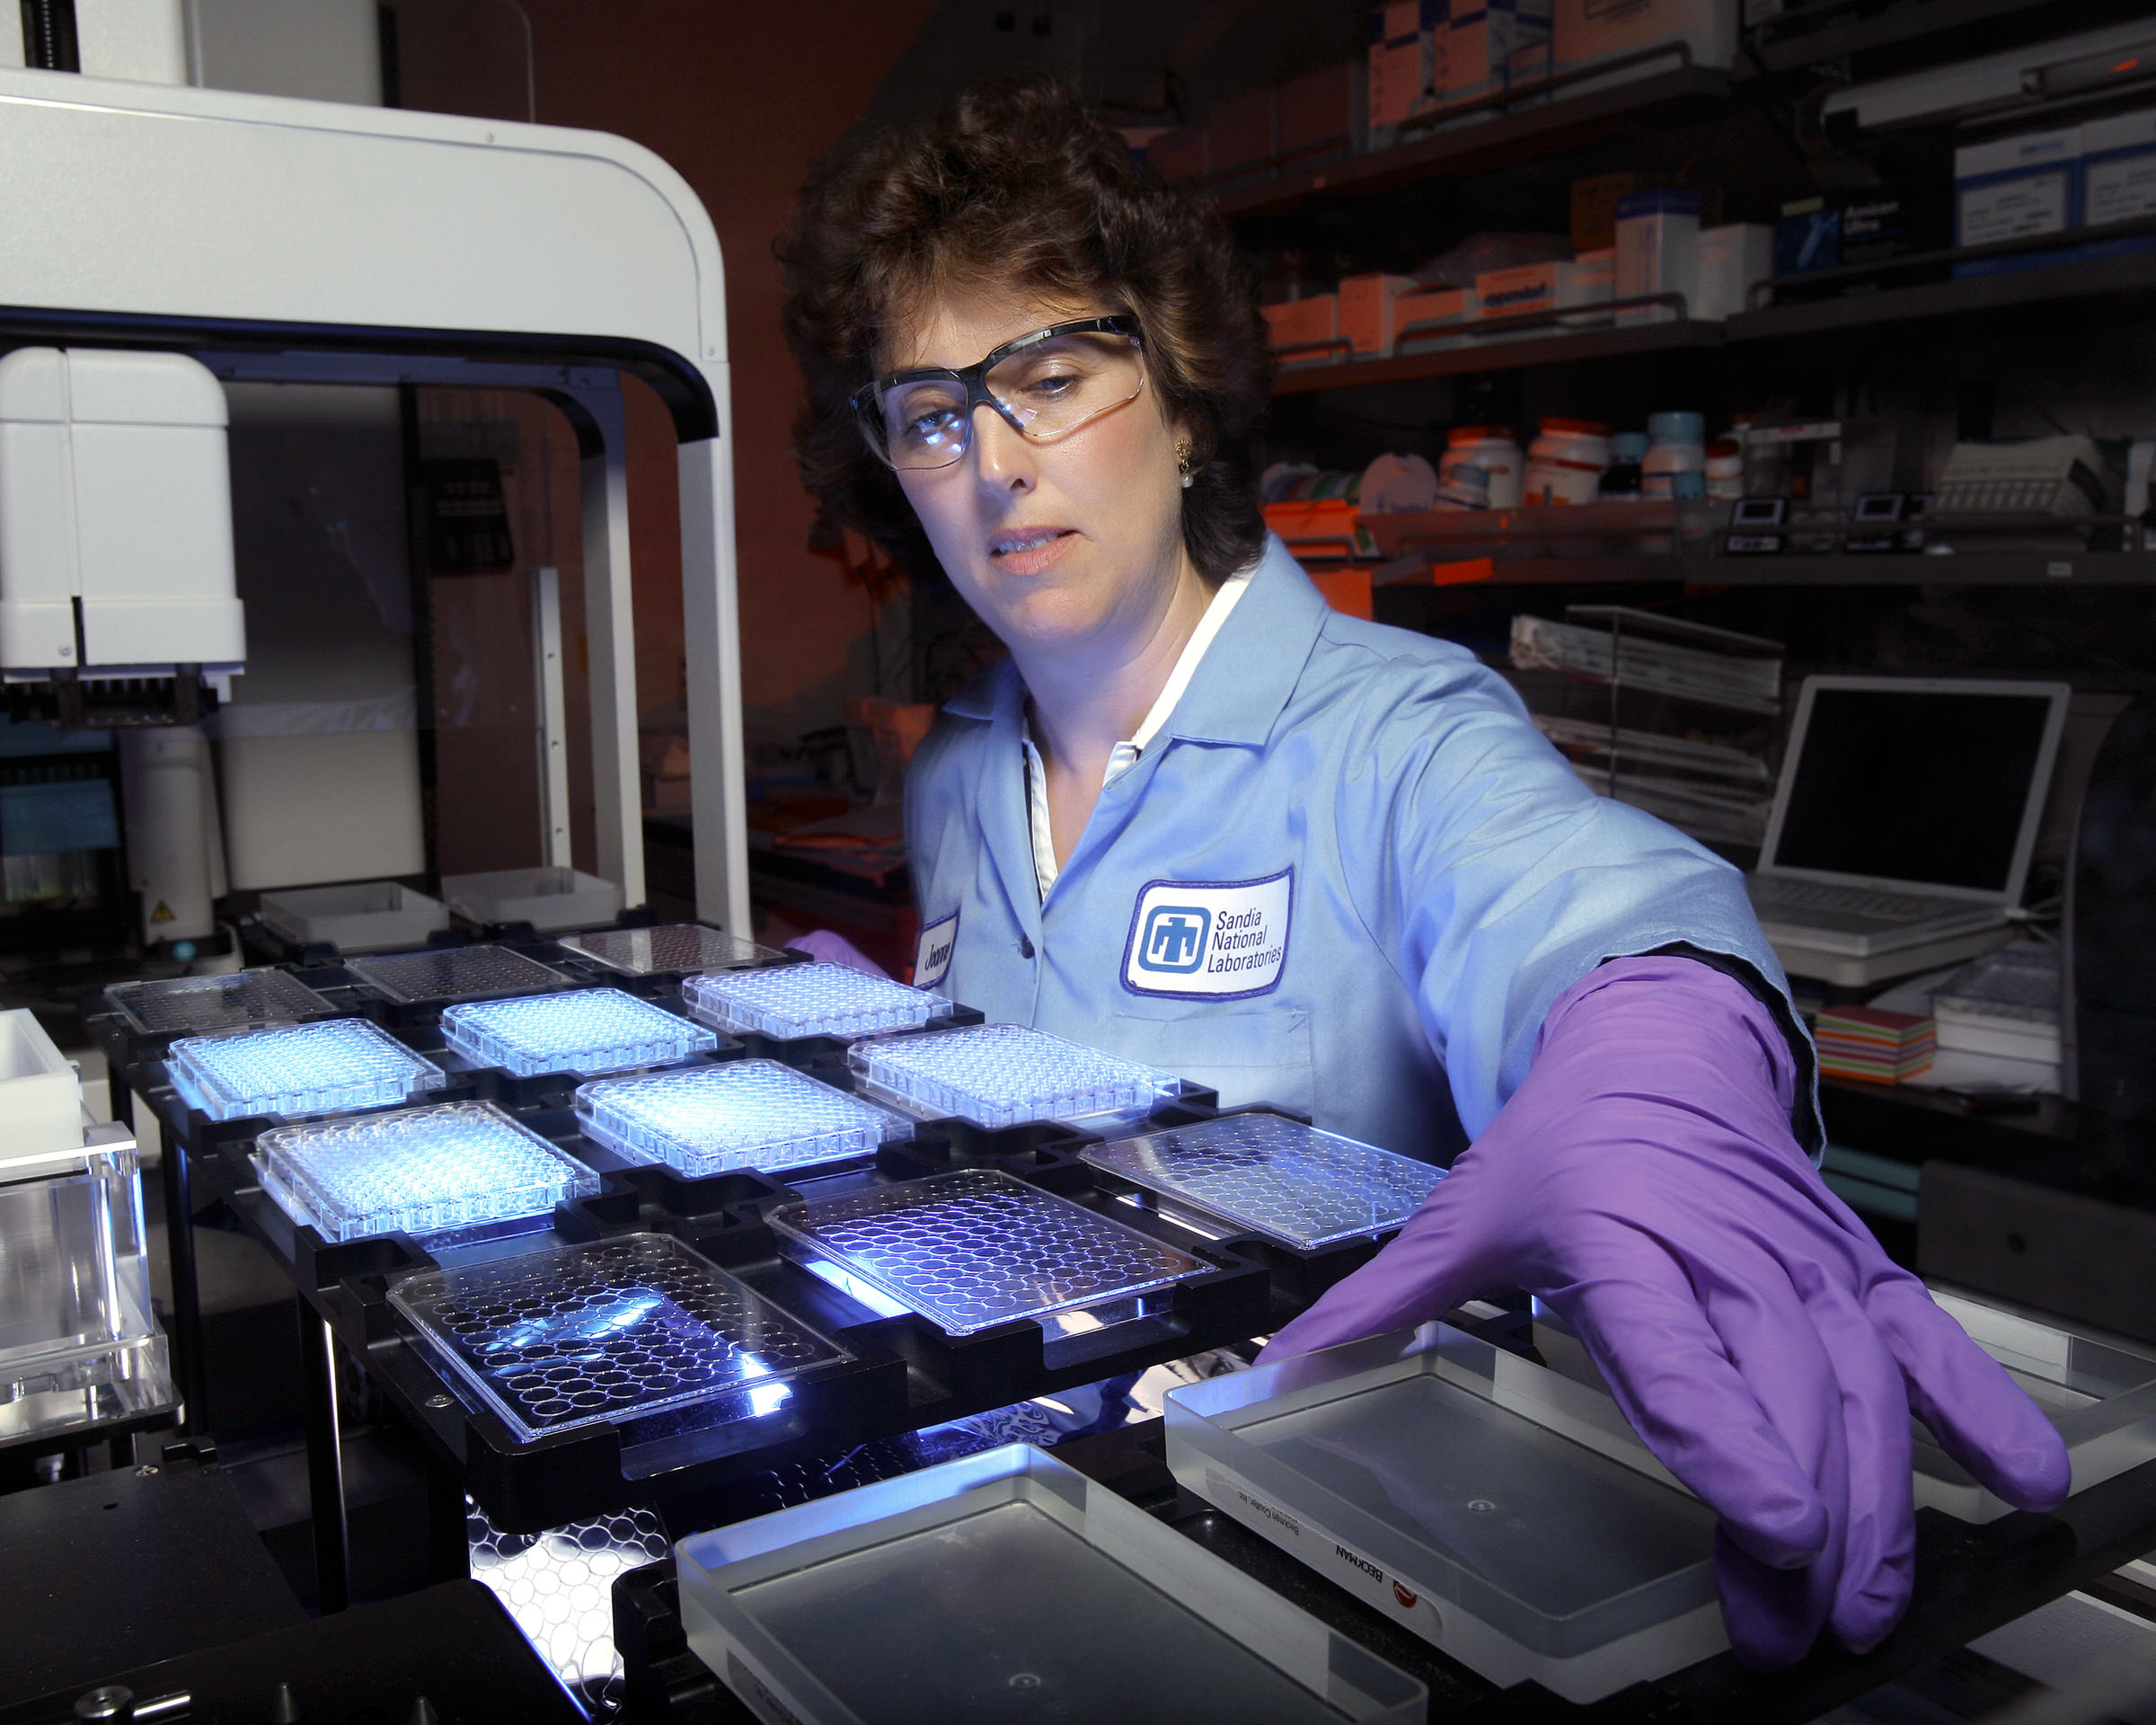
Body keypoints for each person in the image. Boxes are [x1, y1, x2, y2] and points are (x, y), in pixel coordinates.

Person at [778, 75, 2067, 1668]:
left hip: (1356, 1566)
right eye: (930, 414)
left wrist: (1657, 1064)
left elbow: (1580, 901)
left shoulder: (1394, 729)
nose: (994, 461)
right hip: (1049, 1538)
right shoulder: (959, 768)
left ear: (1184, 404)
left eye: (1051, 377)